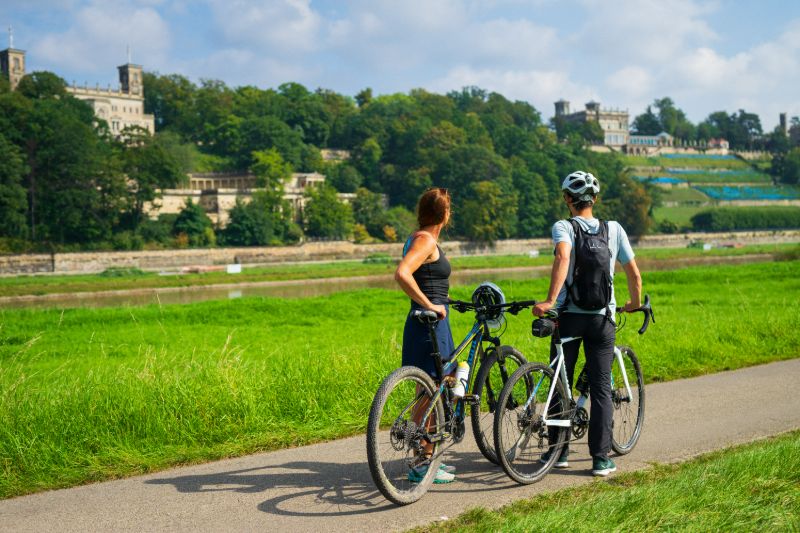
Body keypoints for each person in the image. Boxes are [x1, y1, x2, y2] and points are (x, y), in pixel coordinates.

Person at [532, 170, 642, 477]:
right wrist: (633, 303)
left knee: (559, 382)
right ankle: (600, 460)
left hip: (568, 318)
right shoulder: (614, 229)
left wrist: (551, 300)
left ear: (568, 199)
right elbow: (634, 273)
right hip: (602, 319)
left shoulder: (563, 226)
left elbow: (563, 257)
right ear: (594, 199)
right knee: (601, 388)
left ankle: (559, 452)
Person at [394, 187, 456, 484]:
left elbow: (427, 277)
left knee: (430, 392)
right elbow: (403, 273)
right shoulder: (427, 240)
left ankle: (426, 457)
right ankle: (422, 462)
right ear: (445, 214)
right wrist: (430, 303)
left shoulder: (417, 237)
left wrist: (442, 299)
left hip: (428, 320)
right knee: (431, 391)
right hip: (430, 322)